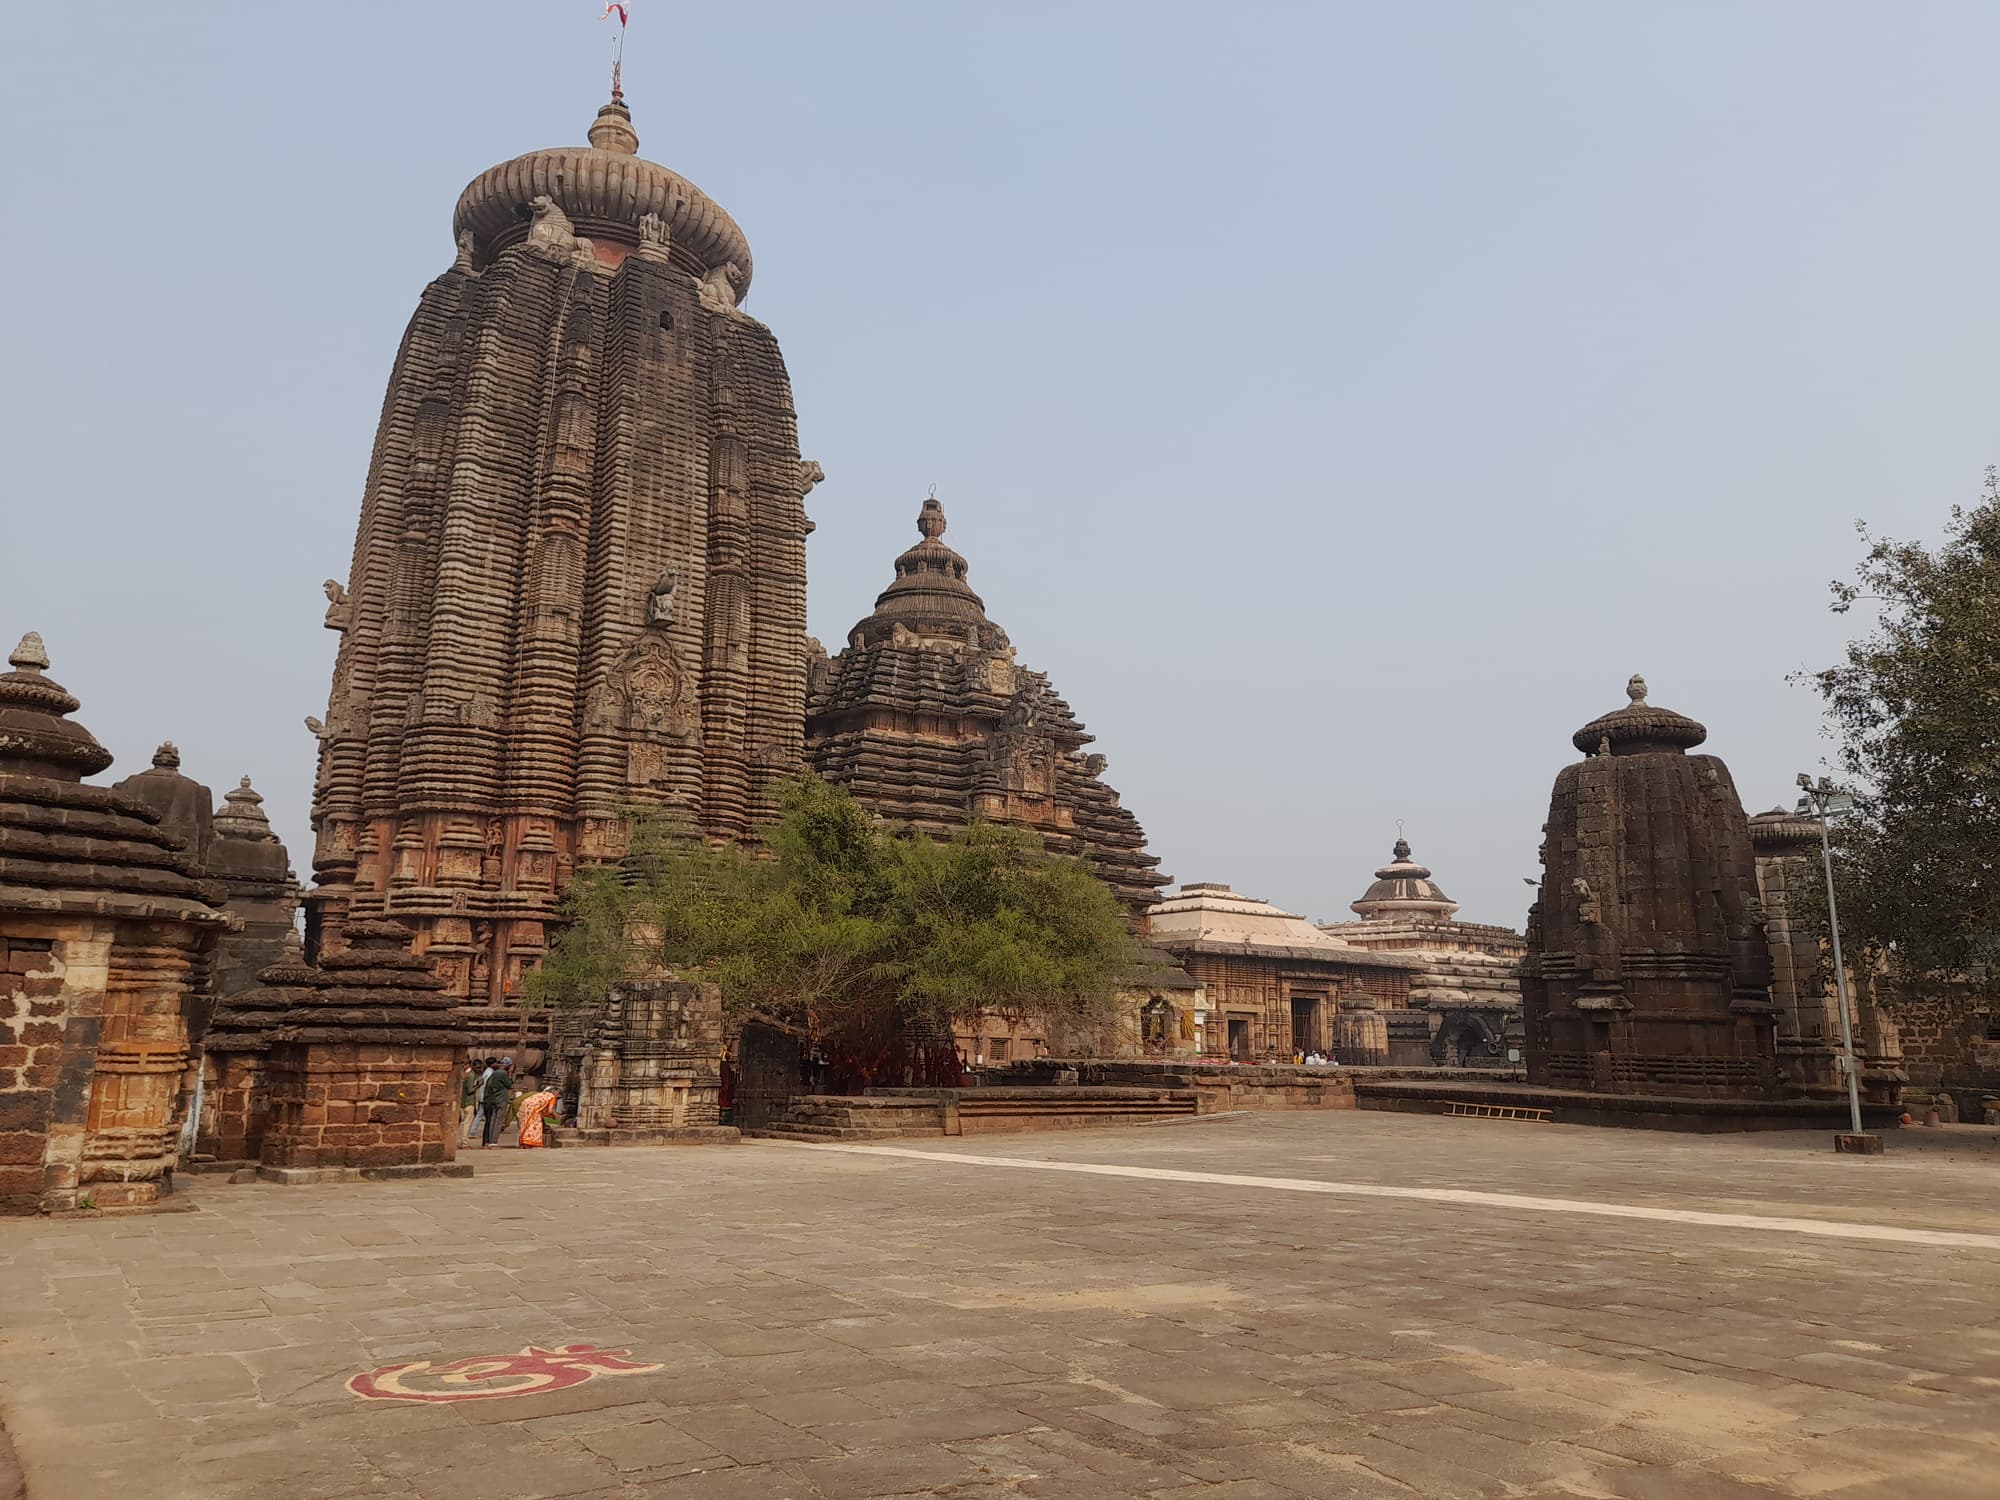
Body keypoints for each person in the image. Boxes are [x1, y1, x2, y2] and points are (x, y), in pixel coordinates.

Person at [480, 1057, 514, 1148]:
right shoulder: (502, 1073)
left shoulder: (494, 1072)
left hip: (494, 1098)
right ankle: (494, 1141)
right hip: (501, 1098)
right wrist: (510, 1074)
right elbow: (509, 1084)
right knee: (498, 1121)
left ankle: (490, 1140)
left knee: (493, 1120)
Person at [457, 1062, 481, 1144]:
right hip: (469, 1101)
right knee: (467, 1123)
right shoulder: (470, 1075)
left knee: (461, 1122)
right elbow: (470, 1090)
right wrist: (478, 1085)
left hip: (462, 1101)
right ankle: (464, 1141)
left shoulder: (463, 1074)